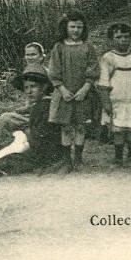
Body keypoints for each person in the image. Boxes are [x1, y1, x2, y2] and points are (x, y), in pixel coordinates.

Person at [0, 62, 63, 183]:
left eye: (33, 87)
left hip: (43, 157)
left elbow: (42, 141)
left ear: (43, 87)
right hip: (41, 152)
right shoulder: (39, 106)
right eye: (26, 88)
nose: (29, 91)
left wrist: (24, 134)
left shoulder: (44, 107)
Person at [47, 12, 99, 171]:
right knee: (66, 126)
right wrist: (62, 89)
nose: (76, 30)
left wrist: (86, 88)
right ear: (66, 27)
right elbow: (54, 71)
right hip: (65, 93)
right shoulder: (59, 47)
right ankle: (67, 160)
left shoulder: (88, 47)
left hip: (82, 93)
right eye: (72, 27)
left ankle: (78, 158)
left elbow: (93, 68)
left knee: (81, 126)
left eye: (79, 27)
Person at [0, 43, 47, 151]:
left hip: (40, 117)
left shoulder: (45, 74)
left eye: (33, 54)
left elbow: (45, 101)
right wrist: (22, 109)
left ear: (41, 57)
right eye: (27, 55)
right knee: (6, 117)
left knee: (6, 118)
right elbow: (29, 102)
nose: (30, 58)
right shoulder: (28, 71)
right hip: (33, 113)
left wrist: (24, 111)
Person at [98, 24, 131, 167]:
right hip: (116, 101)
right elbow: (103, 82)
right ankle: (118, 157)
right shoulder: (108, 58)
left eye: (126, 37)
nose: (123, 40)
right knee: (118, 130)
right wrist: (106, 102)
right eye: (118, 37)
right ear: (111, 39)